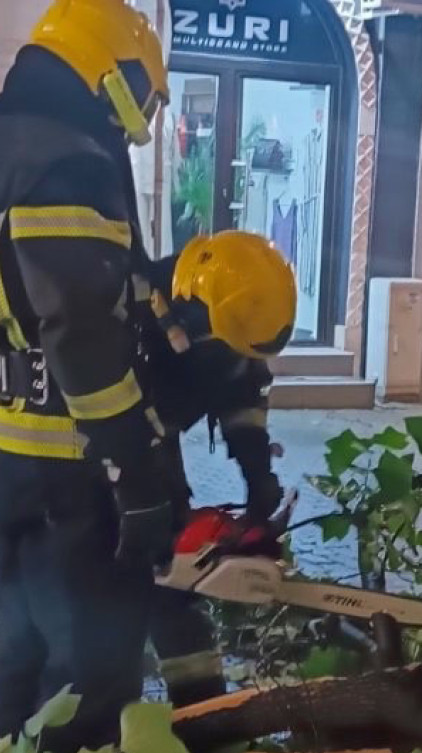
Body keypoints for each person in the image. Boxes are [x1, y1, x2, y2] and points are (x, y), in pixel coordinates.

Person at [0, 0, 173, 753]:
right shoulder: (70, 164)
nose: (135, 125)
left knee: (18, 661)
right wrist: (136, 474)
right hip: (76, 478)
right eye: (138, 99)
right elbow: (83, 338)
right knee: (87, 690)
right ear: (106, 73)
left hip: (2, 468)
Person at [136, 230, 298, 707]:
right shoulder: (132, 322)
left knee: (171, 577)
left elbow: (242, 398)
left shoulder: (232, 319)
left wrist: (258, 477)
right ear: (197, 322)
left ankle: (204, 719)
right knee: (150, 579)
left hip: (151, 434)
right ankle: (189, 720)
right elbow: (136, 431)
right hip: (98, 454)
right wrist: (165, 516)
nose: (243, 362)